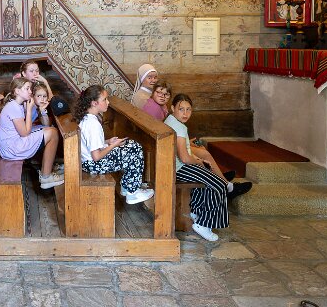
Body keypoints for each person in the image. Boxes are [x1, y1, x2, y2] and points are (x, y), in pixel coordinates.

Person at [165, 94, 234, 241]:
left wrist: (197, 160)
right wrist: (199, 162)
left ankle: (197, 212)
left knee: (208, 174)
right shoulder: (179, 127)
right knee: (219, 184)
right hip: (179, 169)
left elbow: (184, 153)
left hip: (173, 166)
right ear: (172, 108)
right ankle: (204, 223)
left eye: (188, 110)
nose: (185, 113)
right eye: (181, 109)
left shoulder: (170, 121)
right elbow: (184, 158)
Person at [74, 85, 154, 204]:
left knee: (131, 144)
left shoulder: (86, 118)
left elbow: (90, 144)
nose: (108, 102)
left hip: (87, 162)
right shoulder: (93, 124)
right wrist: (113, 145)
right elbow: (96, 156)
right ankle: (132, 192)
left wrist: (108, 142)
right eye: (104, 99)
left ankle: (127, 187)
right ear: (94, 103)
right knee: (135, 149)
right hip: (94, 165)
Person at [0, 77, 64, 189]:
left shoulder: (17, 104)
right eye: (27, 88)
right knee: (52, 133)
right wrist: (29, 110)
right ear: (17, 91)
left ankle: (48, 169)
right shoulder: (13, 107)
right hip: (12, 148)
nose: (30, 91)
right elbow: (24, 133)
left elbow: (40, 126)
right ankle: (46, 177)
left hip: (12, 144)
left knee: (51, 130)